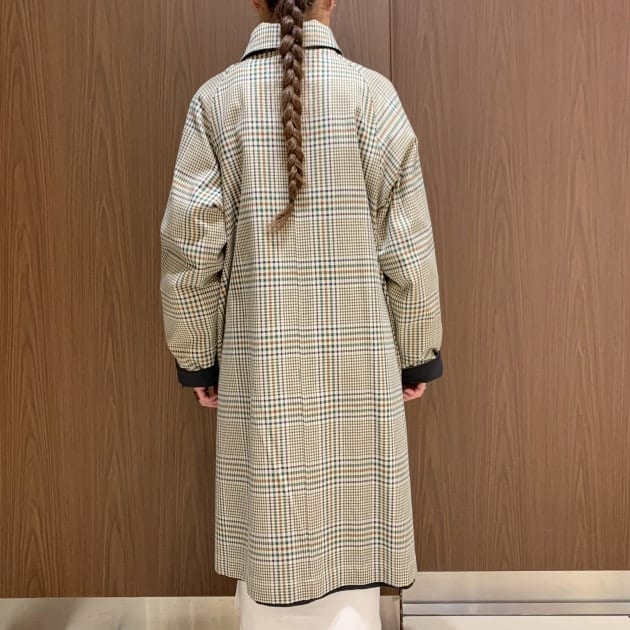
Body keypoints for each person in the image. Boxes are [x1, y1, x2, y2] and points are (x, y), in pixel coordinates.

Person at [159, 0, 444, 627]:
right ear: (332, 0)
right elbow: (409, 250)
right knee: (356, 527)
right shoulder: (373, 98)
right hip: (360, 368)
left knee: (274, 536)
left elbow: (190, 251)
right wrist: (416, 352)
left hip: (260, 370)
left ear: (254, 1)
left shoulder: (217, 102)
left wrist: (197, 357)